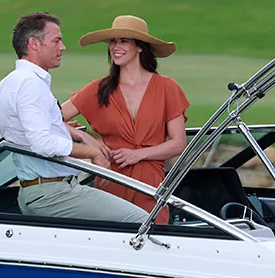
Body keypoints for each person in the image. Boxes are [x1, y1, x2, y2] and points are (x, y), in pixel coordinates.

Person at [0, 11, 149, 224]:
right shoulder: (30, 85)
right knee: (141, 220)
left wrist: (74, 132)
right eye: (56, 41)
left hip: (38, 191)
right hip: (53, 194)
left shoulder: (10, 82)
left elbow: (19, 131)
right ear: (34, 44)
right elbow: (43, 143)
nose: (63, 47)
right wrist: (92, 152)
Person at [61, 15, 191, 224]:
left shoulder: (168, 87)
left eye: (123, 41)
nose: (115, 47)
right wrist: (83, 136)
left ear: (139, 47)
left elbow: (178, 143)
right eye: (113, 41)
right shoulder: (98, 89)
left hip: (151, 186)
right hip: (111, 181)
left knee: (153, 235)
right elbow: (47, 119)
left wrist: (138, 154)